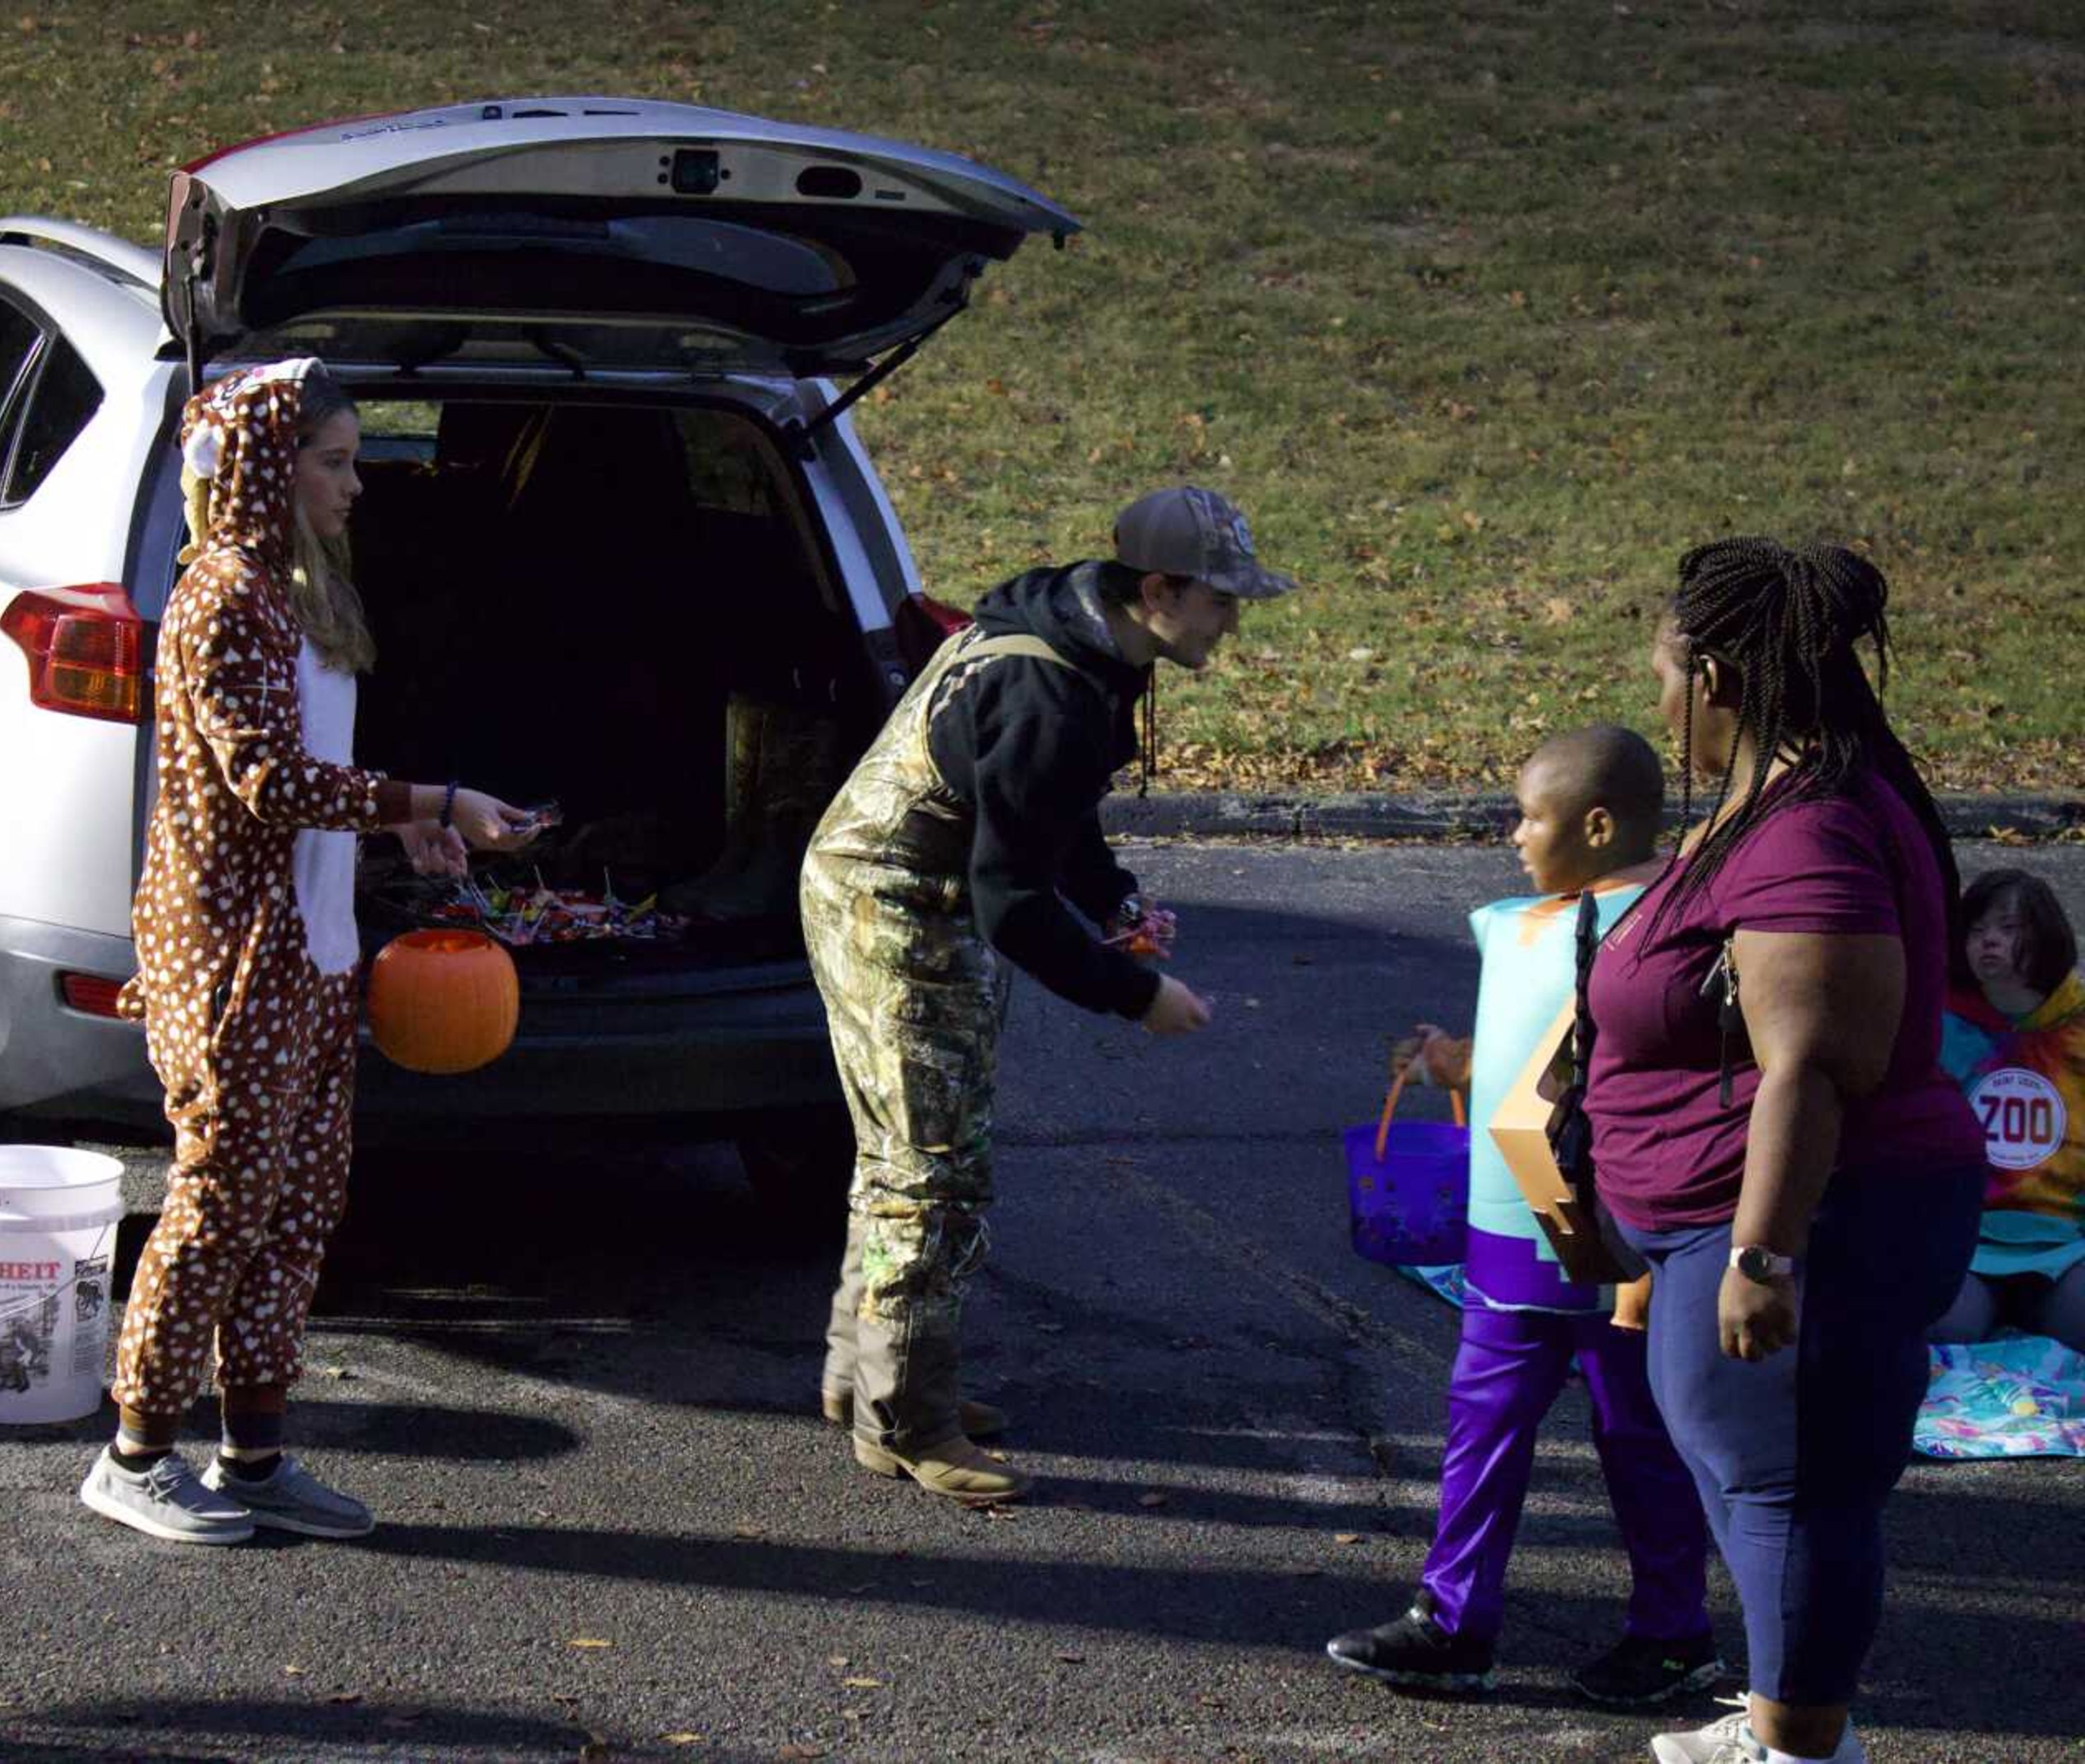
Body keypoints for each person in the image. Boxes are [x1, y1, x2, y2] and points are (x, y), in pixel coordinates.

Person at [85, 357, 535, 1544]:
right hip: (234, 963)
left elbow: (311, 781)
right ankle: (133, 1452)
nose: (357, 487)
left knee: (298, 1204)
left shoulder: (299, 596)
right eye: (333, 463)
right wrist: (428, 796)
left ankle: (256, 1455)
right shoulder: (224, 596)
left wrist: (408, 832)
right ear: (261, 473)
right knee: (221, 1204)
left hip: (317, 952)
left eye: (351, 462)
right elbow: (269, 782)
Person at [1582, 539, 1984, 1764]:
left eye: (1661, 670)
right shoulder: (1788, 803)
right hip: (1718, 1218)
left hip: (1812, 1221)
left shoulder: (1811, 832)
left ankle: (1802, 1751)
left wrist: (1761, 1253)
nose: (1656, 701)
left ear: (1714, 674)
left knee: (1789, 1489)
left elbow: (1813, 1062)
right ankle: (1778, 1723)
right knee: (1758, 1473)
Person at [804, 485, 1266, 1504]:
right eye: (1222, 601)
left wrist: (1110, 897)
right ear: (1158, 589)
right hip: (892, 903)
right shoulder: (1046, 684)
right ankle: (905, 1421)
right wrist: (1134, 991)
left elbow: (1052, 807)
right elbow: (1010, 901)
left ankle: (868, 1374)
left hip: (929, 890)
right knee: (929, 1167)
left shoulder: (1088, 638)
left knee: (911, 1153)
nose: (1234, 622)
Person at [1326, 726, 1716, 1705]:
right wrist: (1456, 1061)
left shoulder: (1669, 924)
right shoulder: (1533, 918)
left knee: (1638, 1435)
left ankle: (1673, 1635)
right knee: (1485, 1420)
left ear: (1594, 823)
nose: (1513, 833)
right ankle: (1453, 1624)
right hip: (1518, 1226)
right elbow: (1538, 1046)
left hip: (1611, 1228)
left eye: (1530, 817)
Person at [1931, 869, 2085, 1349]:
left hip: (2067, 1246)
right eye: (1977, 930)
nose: (1990, 942)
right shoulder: (1940, 1026)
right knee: (1945, 1331)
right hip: (1970, 1245)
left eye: (2009, 928)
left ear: (2046, 935)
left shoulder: (2077, 1026)